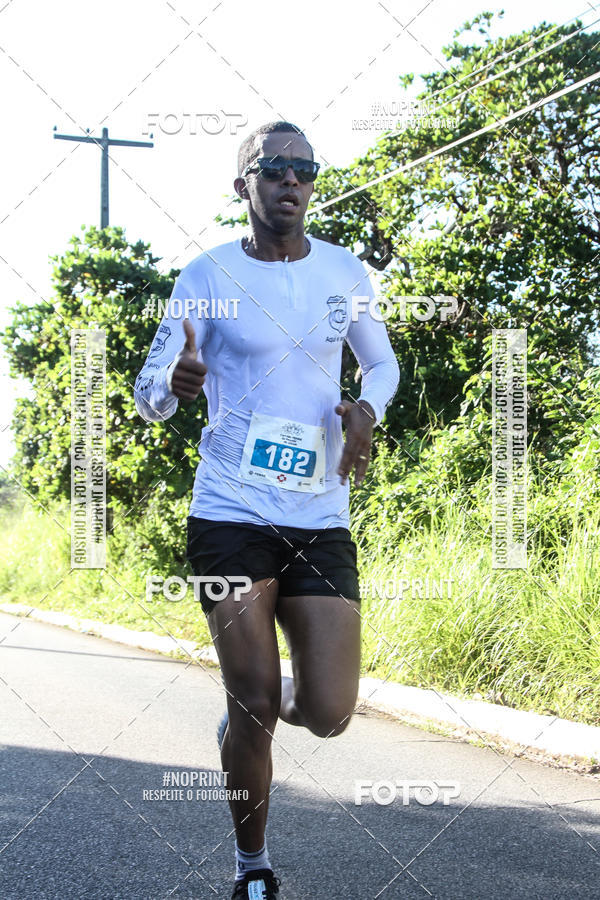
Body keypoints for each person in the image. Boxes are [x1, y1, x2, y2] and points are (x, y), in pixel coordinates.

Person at [134, 121, 399, 899]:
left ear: (313, 185)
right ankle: (254, 867)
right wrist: (174, 387)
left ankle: (254, 711)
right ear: (243, 184)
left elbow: (379, 363)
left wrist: (367, 411)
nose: (291, 182)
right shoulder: (206, 275)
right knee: (253, 701)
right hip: (230, 512)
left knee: (328, 711)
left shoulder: (344, 272)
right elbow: (152, 392)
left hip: (319, 513)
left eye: (304, 170)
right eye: (274, 168)